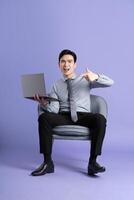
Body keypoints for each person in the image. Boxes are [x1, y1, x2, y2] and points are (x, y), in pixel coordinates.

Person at [31, 49, 114, 176]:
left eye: (69, 61)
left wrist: (96, 76)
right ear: (59, 65)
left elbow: (110, 83)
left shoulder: (86, 79)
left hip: (83, 116)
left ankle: (93, 163)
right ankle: (48, 163)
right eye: (63, 62)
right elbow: (54, 110)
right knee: (44, 118)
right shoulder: (56, 85)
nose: (66, 65)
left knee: (100, 118)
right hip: (63, 115)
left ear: (75, 64)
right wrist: (44, 104)